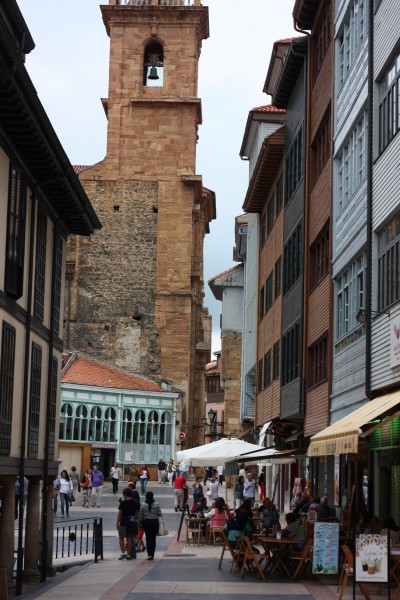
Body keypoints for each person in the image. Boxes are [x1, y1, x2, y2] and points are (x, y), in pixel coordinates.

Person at [116, 487, 140, 560]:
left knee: (121, 537)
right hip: (131, 522)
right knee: (129, 538)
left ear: (125, 495)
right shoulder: (135, 503)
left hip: (123, 522)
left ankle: (123, 552)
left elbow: (120, 514)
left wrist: (117, 522)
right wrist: (135, 520)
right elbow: (137, 514)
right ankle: (129, 554)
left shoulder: (123, 503)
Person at [139, 490, 163, 560]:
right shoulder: (156, 504)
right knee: (153, 539)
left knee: (148, 538)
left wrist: (140, 522)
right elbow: (160, 514)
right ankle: (152, 553)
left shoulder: (143, 505)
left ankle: (149, 554)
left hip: (146, 523)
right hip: (155, 523)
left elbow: (141, 515)